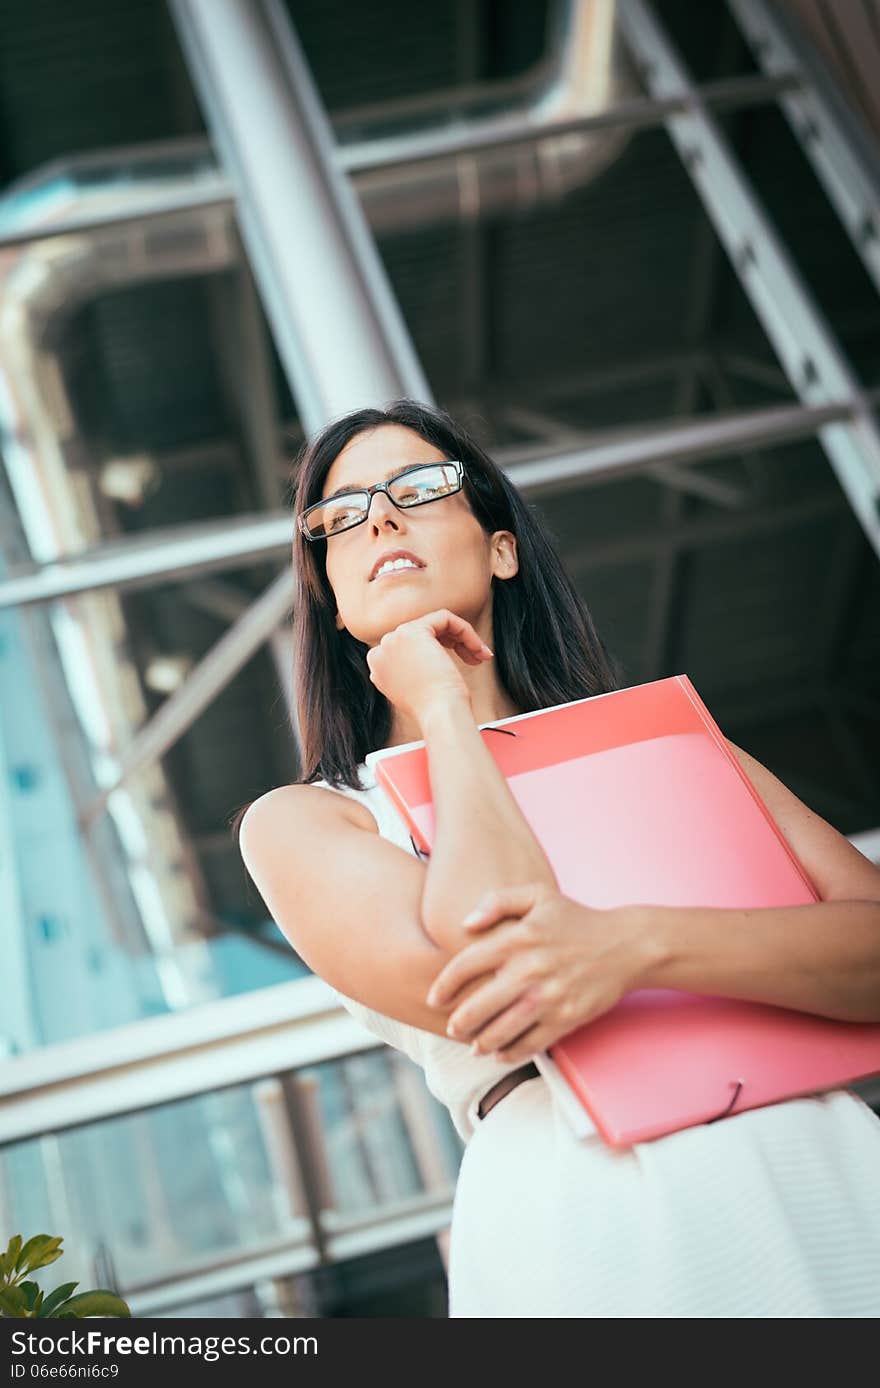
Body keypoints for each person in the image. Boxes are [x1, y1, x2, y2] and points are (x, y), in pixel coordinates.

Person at [236, 397, 880, 1317]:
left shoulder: (668, 743)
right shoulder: (307, 821)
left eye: (417, 488)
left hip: (815, 1156)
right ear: (334, 602)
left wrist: (638, 946)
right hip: (582, 1203)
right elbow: (494, 969)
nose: (378, 515)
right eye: (340, 515)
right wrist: (444, 708)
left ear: (501, 547)